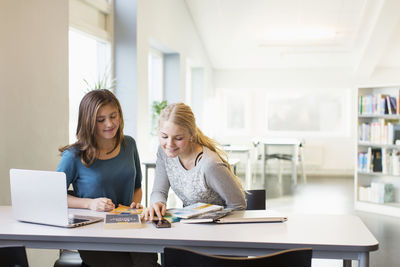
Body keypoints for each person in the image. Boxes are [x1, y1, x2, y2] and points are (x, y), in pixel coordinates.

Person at [57, 89, 157, 267]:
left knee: (148, 262)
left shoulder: (129, 144)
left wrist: (133, 205)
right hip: (94, 233)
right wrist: (90, 203)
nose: (110, 124)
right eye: (101, 120)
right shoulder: (73, 155)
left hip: (129, 227)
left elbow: (137, 187)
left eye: (113, 116)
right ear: (88, 122)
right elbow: (53, 196)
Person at [145, 102, 246, 220]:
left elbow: (238, 206)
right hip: (190, 225)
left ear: (192, 135)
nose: (169, 144)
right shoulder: (164, 153)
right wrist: (157, 203)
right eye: (164, 136)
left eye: (178, 138)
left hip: (217, 228)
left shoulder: (209, 165)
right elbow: (159, 191)